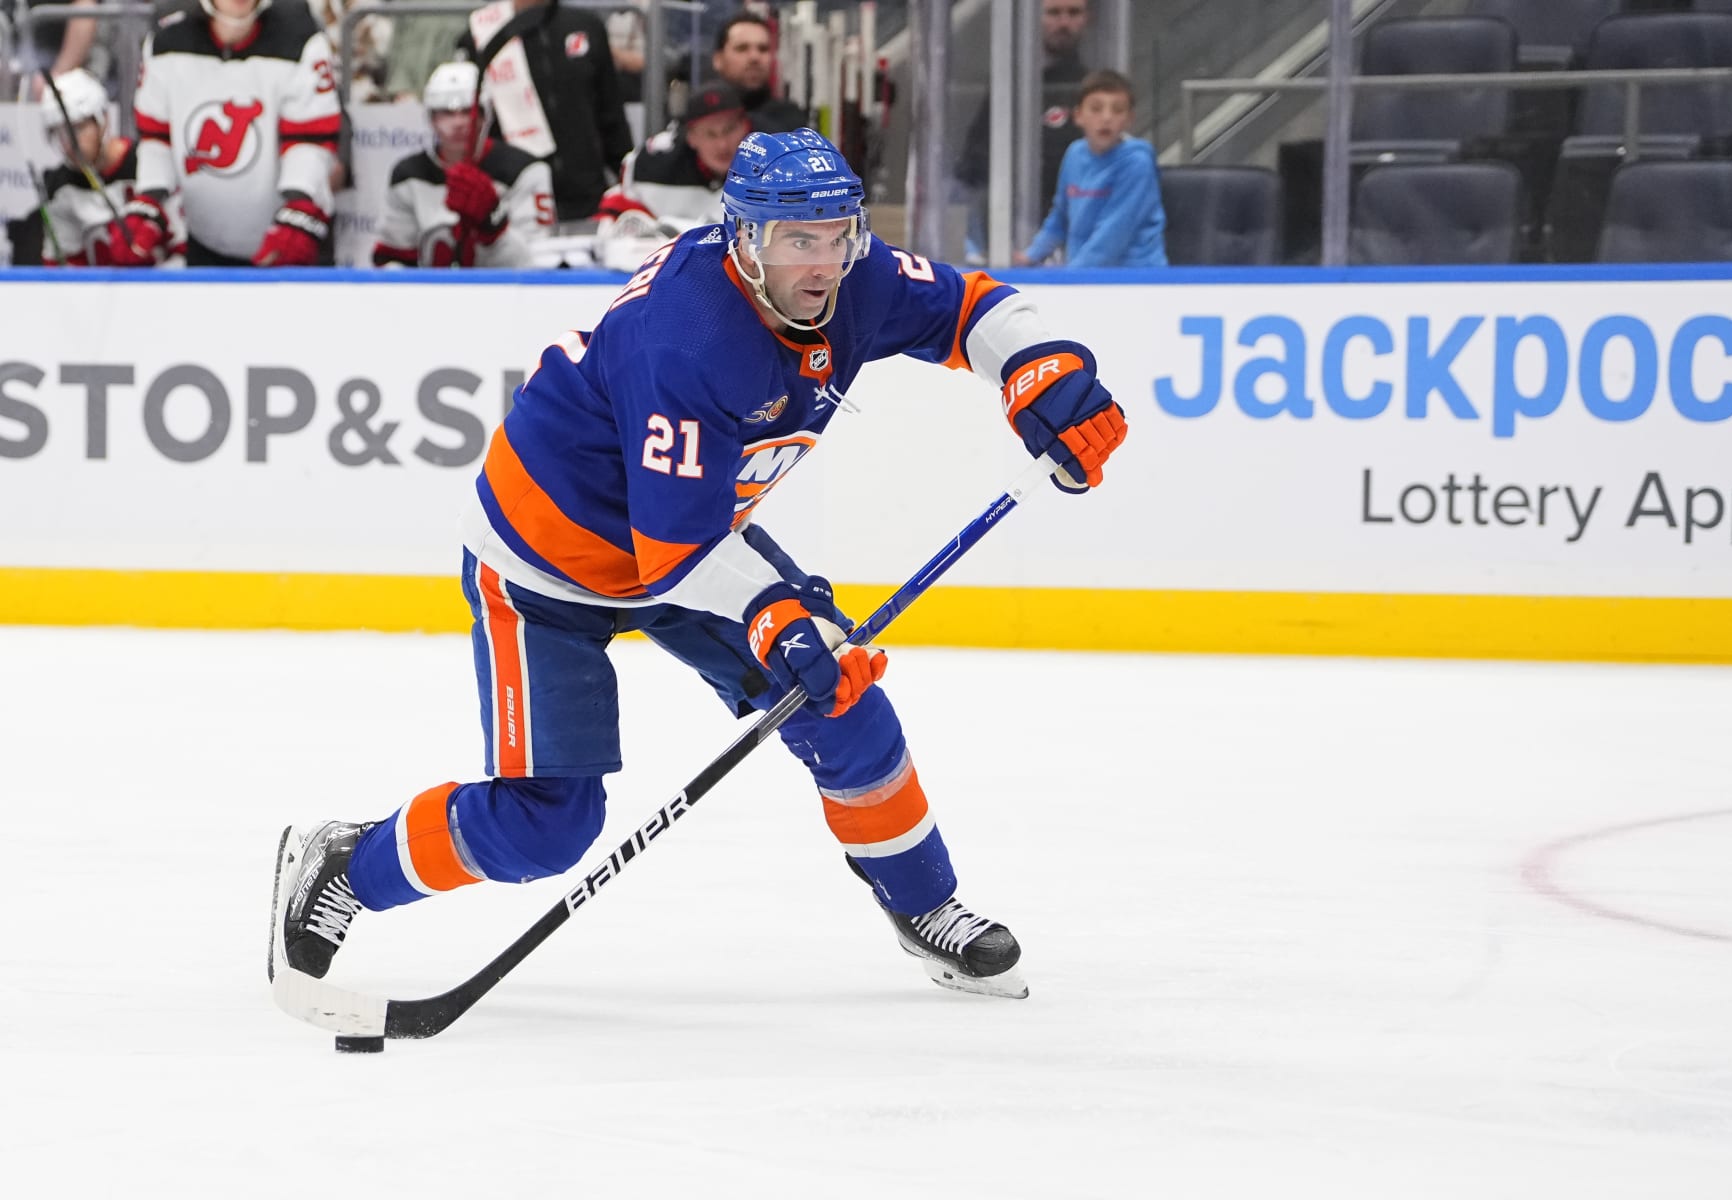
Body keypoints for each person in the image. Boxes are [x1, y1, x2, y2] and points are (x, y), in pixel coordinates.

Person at [269, 128, 1127, 1002]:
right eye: (799, 241)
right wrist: (779, 613)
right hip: (546, 564)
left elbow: (971, 305)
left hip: (686, 541)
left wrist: (1039, 369)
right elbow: (674, 557)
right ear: (743, 239)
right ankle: (346, 864)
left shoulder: (850, 276)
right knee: (547, 828)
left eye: (839, 235)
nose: (824, 263)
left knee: (839, 699)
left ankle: (927, 906)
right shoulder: (685, 339)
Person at [128, 0, 341, 267]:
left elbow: (309, 141)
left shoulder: (301, 38)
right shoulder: (166, 41)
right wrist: (150, 199)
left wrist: (300, 204)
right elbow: (156, 137)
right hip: (203, 239)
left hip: (290, 237)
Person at [457, 0, 634, 225]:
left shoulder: (587, 27)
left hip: (585, 195)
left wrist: (627, 181)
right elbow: (472, 126)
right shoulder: (480, 34)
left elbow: (611, 116)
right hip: (512, 197)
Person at [371, 62, 554, 267]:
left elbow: (538, 265)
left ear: (487, 116)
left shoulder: (525, 172)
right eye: (447, 112)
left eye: (468, 111)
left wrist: (493, 224)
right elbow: (392, 261)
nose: (458, 122)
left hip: (504, 294)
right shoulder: (408, 175)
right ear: (431, 118)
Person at [954, 0, 1089, 264]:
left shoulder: (1089, 88)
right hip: (1004, 228)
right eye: (1054, 13)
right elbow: (973, 164)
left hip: (1067, 231)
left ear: (1087, 18)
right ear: (1036, 18)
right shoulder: (1009, 86)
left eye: (1073, 13)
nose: (1064, 23)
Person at [35, 68, 188, 266]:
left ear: (103, 119)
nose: (69, 143)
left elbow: (183, 249)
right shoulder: (60, 189)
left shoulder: (149, 165)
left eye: (78, 128)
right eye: (59, 132)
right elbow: (65, 269)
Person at [1017, 70, 1166, 269]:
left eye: (1117, 110)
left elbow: (1113, 233)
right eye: (1096, 109)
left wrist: (1071, 278)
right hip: (1086, 274)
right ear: (1078, 116)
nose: (1106, 118)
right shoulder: (1074, 154)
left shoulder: (1137, 163)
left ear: (1130, 118)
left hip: (1138, 277)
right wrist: (1030, 256)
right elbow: (1061, 215)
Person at [594, 78, 749, 264]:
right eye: (710, 134)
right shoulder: (652, 167)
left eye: (729, 130)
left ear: (745, 127)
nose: (722, 144)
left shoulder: (773, 164)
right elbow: (615, 215)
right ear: (691, 137)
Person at [711, 10, 805, 133]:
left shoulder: (793, 124)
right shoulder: (700, 118)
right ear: (718, 60)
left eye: (763, 49)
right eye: (742, 48)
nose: (755, 57)